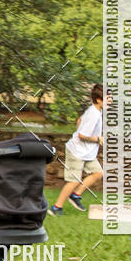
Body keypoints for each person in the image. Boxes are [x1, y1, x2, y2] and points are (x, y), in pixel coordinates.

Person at [49, 84, 109, 216]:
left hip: (86, 152)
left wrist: (82, 133)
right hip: (77, 152)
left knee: (98, 173)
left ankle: (75, 195)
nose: (110, 101)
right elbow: (82, 135)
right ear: (99, 100)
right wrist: (98, 139)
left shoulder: (97, 110)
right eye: (108, 99)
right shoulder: (94, 114)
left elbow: (79, 120)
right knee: (74, 180)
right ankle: (56, 208)